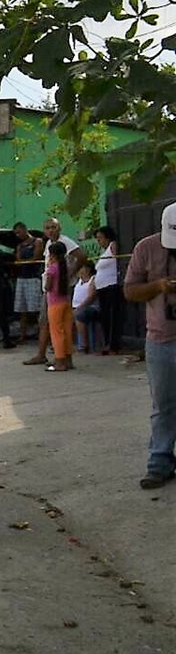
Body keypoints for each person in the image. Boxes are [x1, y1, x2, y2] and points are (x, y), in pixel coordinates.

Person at [123, 204, 176, 489]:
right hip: (161, 339)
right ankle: (159, 463)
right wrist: (158, 286)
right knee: (164, 405)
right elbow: (129, 291)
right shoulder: (146, 248)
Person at [25, 218, 86, 366]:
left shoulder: (66, 242)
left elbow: (82, 256)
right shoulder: (48, 244)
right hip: (54, 290)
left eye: (53, 227)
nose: (50, 230)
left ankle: (59, 357)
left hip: (57, 290)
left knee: (56, 325)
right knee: (49, 322)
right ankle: (51, 355)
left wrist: (68, 275)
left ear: (59, 228)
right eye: (47, 228)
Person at [94, 225, 126, 355]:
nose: (99, 241)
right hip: (102, 288)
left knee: (113, 317)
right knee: (105, 317)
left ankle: (113, 345)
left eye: (100, 238)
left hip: (111, 286)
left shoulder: (113, 246)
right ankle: (107, 342)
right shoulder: (104, 252)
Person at [44, 241, 75, 372]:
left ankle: (59, 361)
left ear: (52, 254)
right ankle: (68, 360)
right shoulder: (66, 267)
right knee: (67, 331)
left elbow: (48, 287)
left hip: (54, 303)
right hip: (66, 301)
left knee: (56, 332)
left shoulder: (52, 268)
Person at [12, 222, 45, 341]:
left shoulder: (37, 241)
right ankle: (22, 335)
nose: (18, 235)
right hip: (22, 278)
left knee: (36, 309)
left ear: (25, 229)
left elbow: (36, 257)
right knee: (22, 309)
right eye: (16, 233)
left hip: (33, 277)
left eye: (19, 232)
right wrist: (22, 261)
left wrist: (24, 261)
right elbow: (18, 259)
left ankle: (42, 334)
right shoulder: (20, 246)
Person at [72, 261, 99, 353]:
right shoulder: (79, 281)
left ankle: (83, 344)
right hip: (76, 307)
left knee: (80, 315)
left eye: (81, 268)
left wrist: (80, 307)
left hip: (91, 307)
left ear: (87, 269)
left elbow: (91, 297)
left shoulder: (93, 280)